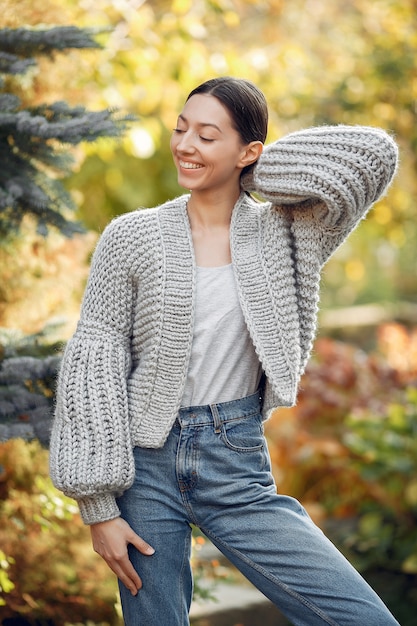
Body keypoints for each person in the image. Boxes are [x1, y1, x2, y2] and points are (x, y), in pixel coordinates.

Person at [50, 76, 400, 626]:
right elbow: (96, 358)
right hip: (146, 467)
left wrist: (257, 172)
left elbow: (371, 156)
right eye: (181, 129)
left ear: (249, 151)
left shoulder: (289, 232)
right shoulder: (130, 237)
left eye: (208, 136)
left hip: (234, 461)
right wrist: (98, 509)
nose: (186, 145)